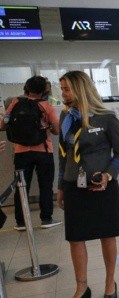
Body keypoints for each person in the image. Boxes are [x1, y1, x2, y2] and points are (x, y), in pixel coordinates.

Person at [57, 71, 119, 298]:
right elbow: (63, 154)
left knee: (107, 235)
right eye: (61, 89)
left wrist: (108, 175)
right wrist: (60, 186)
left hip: (101, 186)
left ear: (80, 89)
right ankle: (81, 287)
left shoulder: (106, 117)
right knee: (76, 237)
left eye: (67, 89)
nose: (63, 94)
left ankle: (110, 282)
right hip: (73, 184)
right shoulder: (66, 117)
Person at [0, 75, 61, 230]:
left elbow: (3, 124)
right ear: (44, 90)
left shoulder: (15, 103)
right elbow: (57, 129)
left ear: (26, 88)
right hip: (43, 151)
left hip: (21, 152)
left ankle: (21, 222)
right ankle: (46, 219)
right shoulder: (46, 105)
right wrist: (47, 128)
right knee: (45, 185)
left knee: (21, 186)